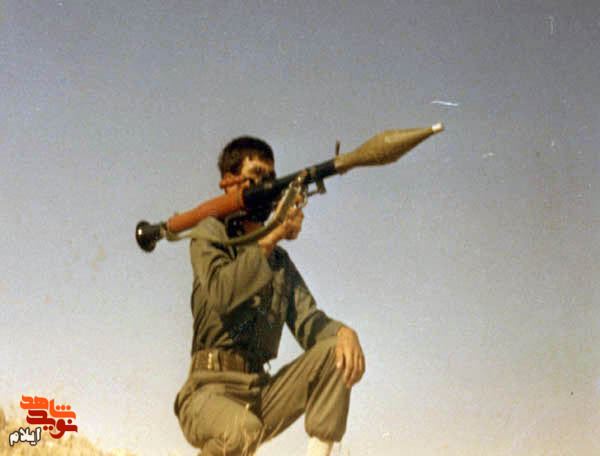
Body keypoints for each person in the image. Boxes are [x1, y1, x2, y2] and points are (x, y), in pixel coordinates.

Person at [174, 136, 365, 456]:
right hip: (208, 391)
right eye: (256, 175)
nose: (267, 185)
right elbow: (222, 293)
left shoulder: (279, 263)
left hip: (258, 393)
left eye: (271, 178)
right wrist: (273, 235)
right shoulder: (210, 234)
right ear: (229, 181)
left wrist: (345, 332)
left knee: (335, 351)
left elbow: (309, 322)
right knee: (242, 431)